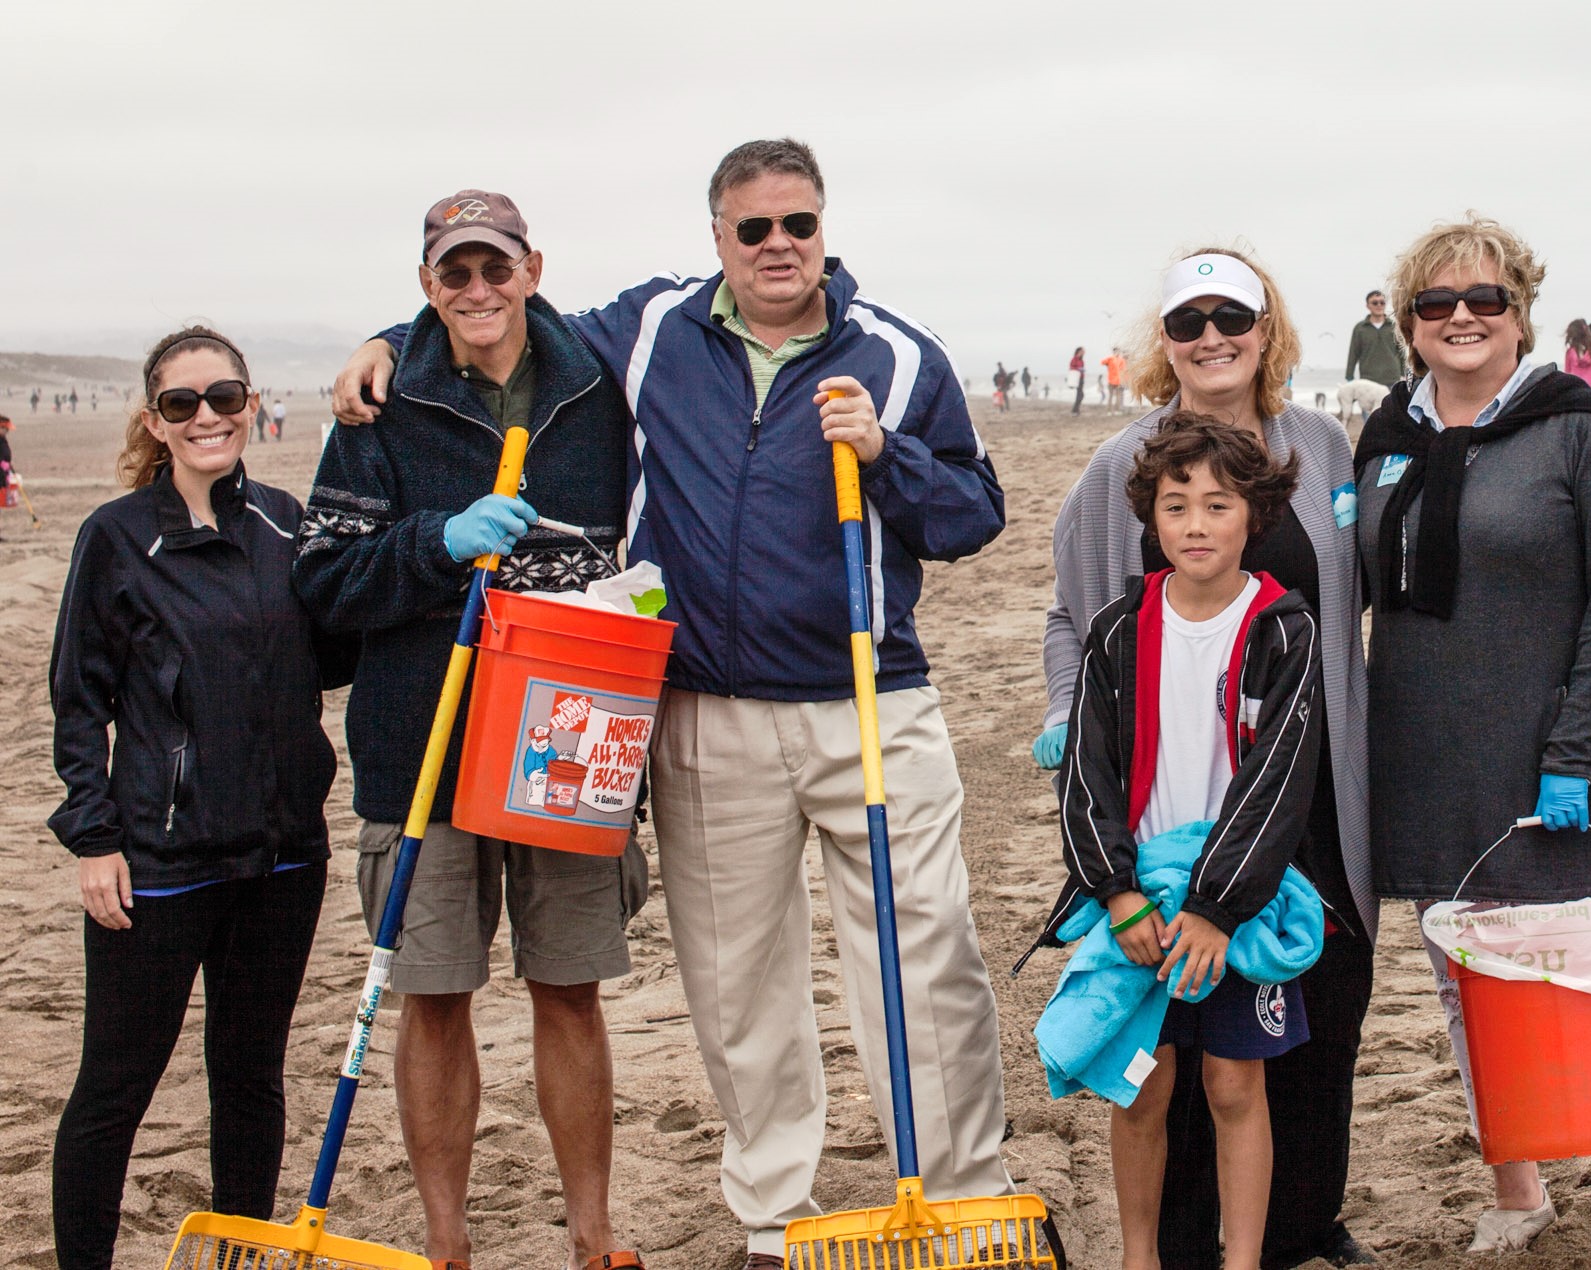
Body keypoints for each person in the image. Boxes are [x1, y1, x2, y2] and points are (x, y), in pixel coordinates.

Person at [329, 138, 1015, 1269]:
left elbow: (971, 514)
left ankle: (958, 1198)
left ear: (824, 228)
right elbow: (501, 321)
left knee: (920, 956)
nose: (778, 246)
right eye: (753, 229)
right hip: (700, 708)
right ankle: (772, 1216)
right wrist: (385, 346)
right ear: (717, 239)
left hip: (866, 697)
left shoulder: (896, 353)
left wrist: (883, 452)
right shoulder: (648, 331)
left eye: (797, 224)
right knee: (736, 977)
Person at [294, 191, 645, 1270]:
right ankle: (446, 1242)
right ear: (426, 286)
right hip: (424, 747)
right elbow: (322, 583)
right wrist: (432, 542)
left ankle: (592, 1235)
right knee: (434, 994)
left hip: (569, 734)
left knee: (569, 988)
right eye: (456, 275)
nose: (479, 292)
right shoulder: (379, 406)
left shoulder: (601, 381)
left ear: (533, 268)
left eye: (496, 269)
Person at [1353, 215, 1591, 1266]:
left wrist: (1572, 748)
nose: (1460, 317)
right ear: (1408, 322)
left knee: (1587, 974)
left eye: (1483, 300)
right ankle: (1518, 1184)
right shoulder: (1384, 439)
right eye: (1436, 303)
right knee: (1462, 976)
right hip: (1418, 751)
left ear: (1520, 314)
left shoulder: (1575, 428)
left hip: (1545, 756)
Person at [1036, 249, 1378, 1269]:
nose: (1212, 336)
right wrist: (1069, 713)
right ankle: (1182, 1242)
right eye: (1189, 320)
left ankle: (1299, 1224)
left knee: (1317, 998)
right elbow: (1073, 613)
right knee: (1173, 1028)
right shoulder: (1124, 466)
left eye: (1234, 315)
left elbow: (1355, 596)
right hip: (1167, 800)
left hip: (1300, 780)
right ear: (1165, 340)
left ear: (1265, 330)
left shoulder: (1321, 442)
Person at [49, 327, 350, 1270]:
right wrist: (95, 841)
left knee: (252, 1078)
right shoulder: (116, 539)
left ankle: (238, 1255)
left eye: (225, 397)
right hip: (159, 863)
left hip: (283, 855)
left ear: (252, 403)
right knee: (116, 1086)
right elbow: (77, 702)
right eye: (184, 404)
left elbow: (335, 654)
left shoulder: (286, 524)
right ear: (157, 421)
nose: (208, 417)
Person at [1051, 415, 1324, 1270]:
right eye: (1177, 507)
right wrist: (1117, 893)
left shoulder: (1283, 627)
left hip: (1235, 903)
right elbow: (1086, 777)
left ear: (1256, 515)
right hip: (1137, 902)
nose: (1197, 524)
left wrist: (1214, 910)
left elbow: (1279, 782)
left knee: (1234, 1083)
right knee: (1142, 1086)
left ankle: (1239, 1261)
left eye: (1218, 504)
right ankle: (1142, 1257)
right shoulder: (1118, 630)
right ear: (1151, 518)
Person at [1345, 289, 1406, 392]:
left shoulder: (1394, 326)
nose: (1379, 305)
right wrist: (1349, 376)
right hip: (1368, 380)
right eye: (1375, 302)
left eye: (1382, 302)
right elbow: (1353, 353)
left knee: (1393, 408)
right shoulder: (1360, 328)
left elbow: (1402, 352)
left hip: (1393, 379)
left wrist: (1404, 375)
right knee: (1369, 409)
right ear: (1368, 306)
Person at [1072, 345, 1089, 414]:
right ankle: (1075, 410)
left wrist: (1082, 370)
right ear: (1079, 351)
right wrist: (1078, 369)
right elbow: (1072, 368)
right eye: (1083, 351)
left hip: (1081, 378)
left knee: (1080, 395)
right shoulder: (1075, 359)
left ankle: (1076, 409)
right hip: (1077, 379)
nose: (1084, 352)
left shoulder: (1081, 360)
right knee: (1080, 394)